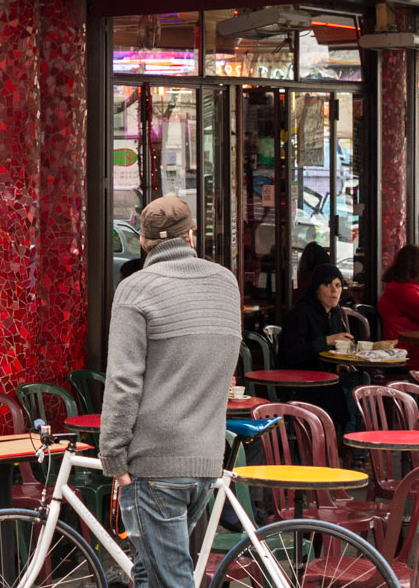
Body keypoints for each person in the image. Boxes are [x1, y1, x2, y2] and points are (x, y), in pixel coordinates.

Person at [101, 196, 244, 588]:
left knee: (171, 579)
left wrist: (113, 454)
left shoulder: (135, 289)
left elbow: (123, 381)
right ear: (191, 235)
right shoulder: (225, 282)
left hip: (154, 463)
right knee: (149, 572)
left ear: (143, 242)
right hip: (205, 459)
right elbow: (226, 358)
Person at [277, 263, 359, 432]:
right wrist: (326, 341)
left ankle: (355, 441)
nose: (334, 291)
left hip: (326, 375)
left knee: (361, 380)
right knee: (340, 390)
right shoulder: (300, 314)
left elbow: (330, 356)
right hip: (302, 381)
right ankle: (349, 443)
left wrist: (339, 365)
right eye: (327, 285)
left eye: (338, 285)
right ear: (316, 288)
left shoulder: (334, 314)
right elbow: (292, 355)